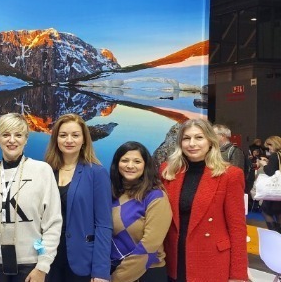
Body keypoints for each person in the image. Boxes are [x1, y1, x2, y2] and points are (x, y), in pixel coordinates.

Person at [0, 113, 62, 282]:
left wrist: (42, 267)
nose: (12, 140)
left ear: (26, 139)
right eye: (6, 135)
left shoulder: (42, 171)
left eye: (18, 135)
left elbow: (53, 223)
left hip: (31, 266)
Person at [160, 118, 248, 282]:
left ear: (210, 141)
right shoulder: (168, 171)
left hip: (211, 260)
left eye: (199, 137)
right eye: (186, 138)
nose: (192, 143)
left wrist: (238, 274)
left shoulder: (230, 175)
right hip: (173, 259)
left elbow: (237, 228)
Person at [44, 113, 112, 282]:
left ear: (84, 140)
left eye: (75, 135)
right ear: (56, 140)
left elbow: (103, 225)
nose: (69, 140)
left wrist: (101, 271)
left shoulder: (97, 173)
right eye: (63, 135)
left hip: (81, 260)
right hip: (47, 258)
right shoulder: (45, 171)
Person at [109, 142, 171, 282]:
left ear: (145, 165)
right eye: (125, 160)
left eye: (137, 161)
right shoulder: (112, 194)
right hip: (112, 270)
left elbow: (150, 245)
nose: (130, 166)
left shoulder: (156, 197)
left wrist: (117, 277)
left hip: (146, 273)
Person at [257, 135, 281, 232]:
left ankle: (274, 231)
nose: (269, 148)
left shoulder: (275, 156)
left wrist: (264, 164)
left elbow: (270, 172)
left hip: (274, 189)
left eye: (270, 145)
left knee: (265, 211)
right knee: (279, 212)